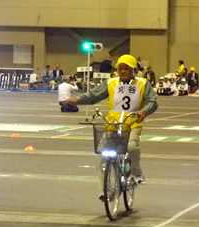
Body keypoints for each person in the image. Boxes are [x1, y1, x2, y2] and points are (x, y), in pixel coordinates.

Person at [62, 54, 158, 198]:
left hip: (132, 123)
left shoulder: (143, 83)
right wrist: (76, 100)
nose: (123, 71)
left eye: (127, 68)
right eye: (120, 68)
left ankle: (136, 173)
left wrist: (144, 111)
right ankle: (104, 189)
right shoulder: (111, 83)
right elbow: (93, 95)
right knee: (101, 156)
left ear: (134, 70)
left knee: (131, 147)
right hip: (112, 124)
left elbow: (152, 102)